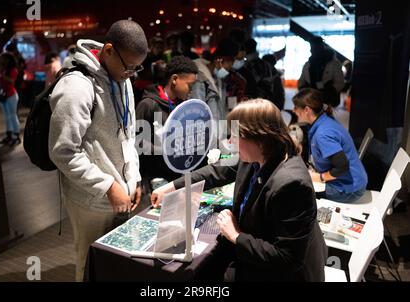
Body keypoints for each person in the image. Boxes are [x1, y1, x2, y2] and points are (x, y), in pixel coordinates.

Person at [151, 99, 327, 281]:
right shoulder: (261, 155)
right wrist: (172, 187)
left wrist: (236, 235)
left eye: (235, 135)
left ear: (260, 138)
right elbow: (217, 170)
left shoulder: (291, 184)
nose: (230, 142)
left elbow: (287, 258)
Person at [48, 20, 148, 281]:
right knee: (91, 263)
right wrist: (108, 185)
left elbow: (128, 135)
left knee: (117, 260)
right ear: (109, 50)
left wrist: (133, 177)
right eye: (129, 66)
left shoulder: (123, 78)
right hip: (90, 200)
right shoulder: (76, 86)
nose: (132, 73)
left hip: (121, 192)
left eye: (138, 68)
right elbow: (63, 151)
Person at [292, 88, 367, 203]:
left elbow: (342, 167)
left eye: (296, 107)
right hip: (353, 182)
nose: (293, 110)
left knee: (296, 190)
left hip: (348, 189)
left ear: (307, 109)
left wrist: (320, 177)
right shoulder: (324, 121)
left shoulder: (322, 134)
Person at [136, 55, 198, 185]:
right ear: (174, 79)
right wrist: (164, 150)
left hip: (178, 176)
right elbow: (137, 144)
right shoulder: (148, 105)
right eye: (190, 85)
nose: (192, 90)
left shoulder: (184, 106)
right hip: (154, 179)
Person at [298, 37, 344, 107]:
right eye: (311, 47)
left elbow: (340, 83)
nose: (312, 50)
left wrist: (329, 91)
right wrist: (304, 91)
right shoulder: (308, 64)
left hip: (328, 102)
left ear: (321, 47)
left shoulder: (334, 63)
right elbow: (301, 81)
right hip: (311, 101)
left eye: (315, 47)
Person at [0, 52, 21, 146]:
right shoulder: (2, 68)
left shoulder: (13, 69)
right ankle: (9, 135)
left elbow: (12, 81)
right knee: (6, 116)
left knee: (13, 116)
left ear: (6, 59)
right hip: (2, 95)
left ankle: (16, 135)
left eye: (1, 57)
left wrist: (0, 74)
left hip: (11, 95)